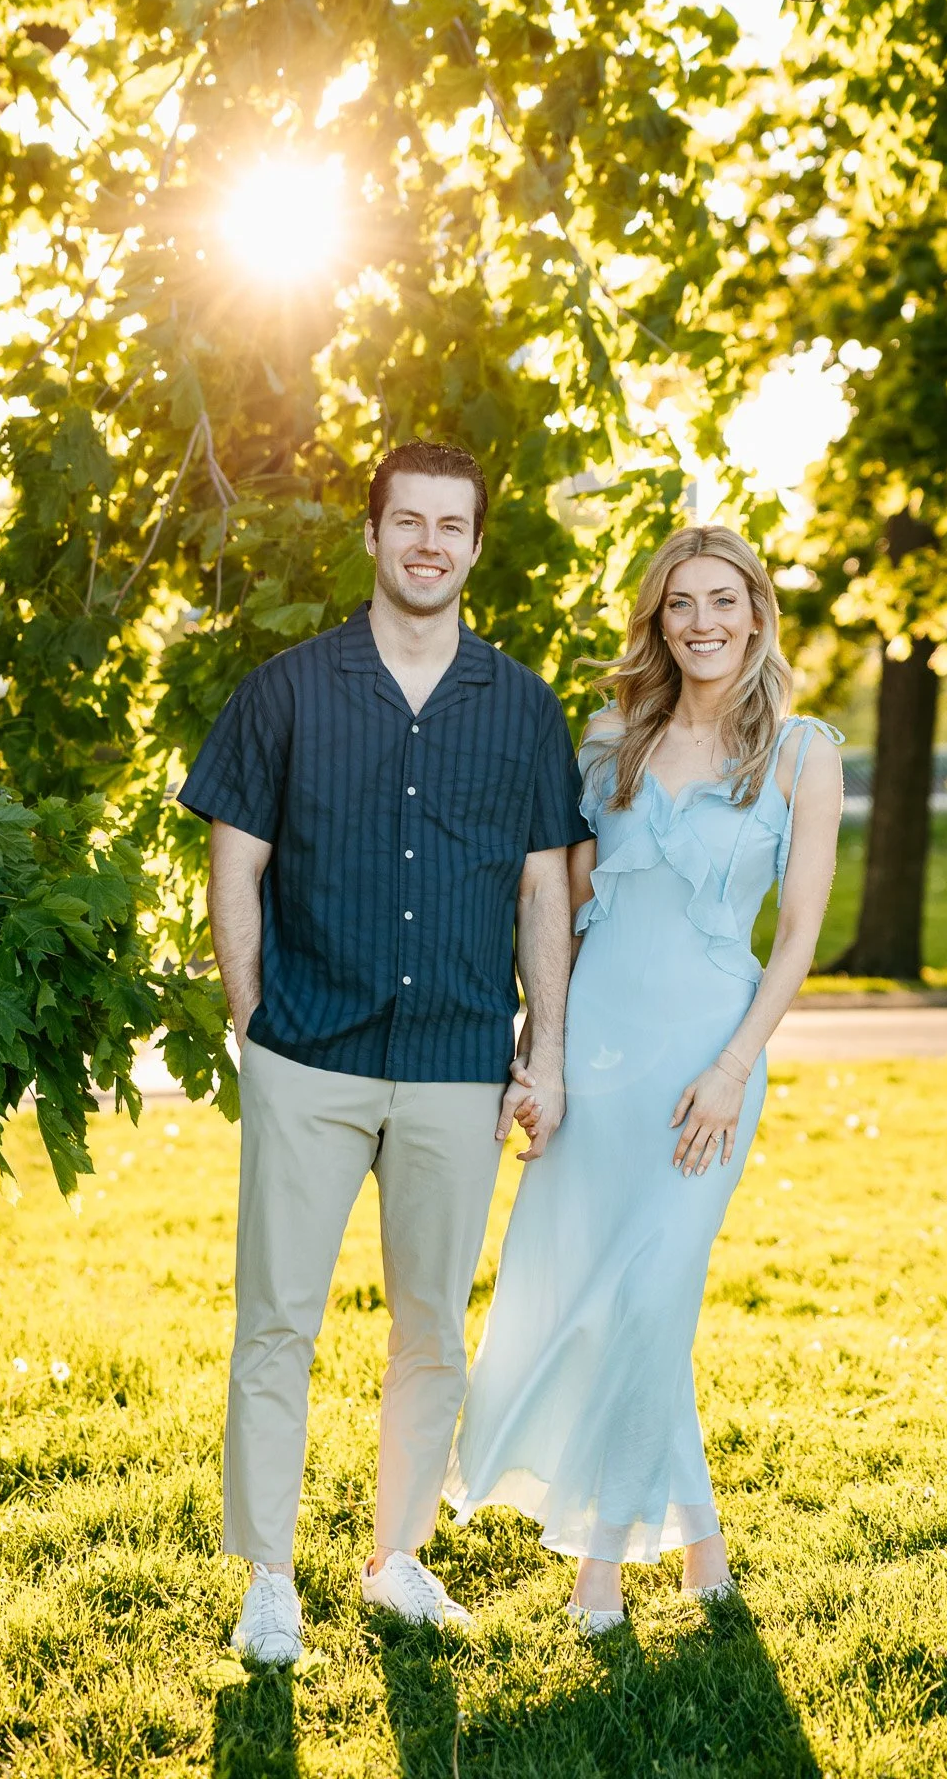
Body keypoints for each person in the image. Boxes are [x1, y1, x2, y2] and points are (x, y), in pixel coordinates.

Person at [178, 439, 589, 1664]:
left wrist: (544, 1051)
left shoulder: (522, 707)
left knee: (431, 1329)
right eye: (408, 520)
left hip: (459, 1061)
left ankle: (396, 1555)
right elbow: (234, 866)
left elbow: (544, 891)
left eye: (450, 525)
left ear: (475, 545)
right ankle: (268, 1577)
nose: (428, 543)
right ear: (372, 534)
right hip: (310, 1053)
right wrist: (255, 1022)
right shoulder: (286, 691)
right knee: (276, 1324)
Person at [445, 524, 843, 1632]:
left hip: (707, 1061)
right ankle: (703, 1550)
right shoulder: (612, 740)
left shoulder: (802, 752)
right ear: (658, 621)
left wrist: (731, 1067)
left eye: (722, 600)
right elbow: (565, 913)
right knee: (622, 1302)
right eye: (681, 603)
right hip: (600, 1052)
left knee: (650, 1293)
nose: (702, 622)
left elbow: (798, 936)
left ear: (756, 615)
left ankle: (599, 1566)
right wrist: (543, 1053)